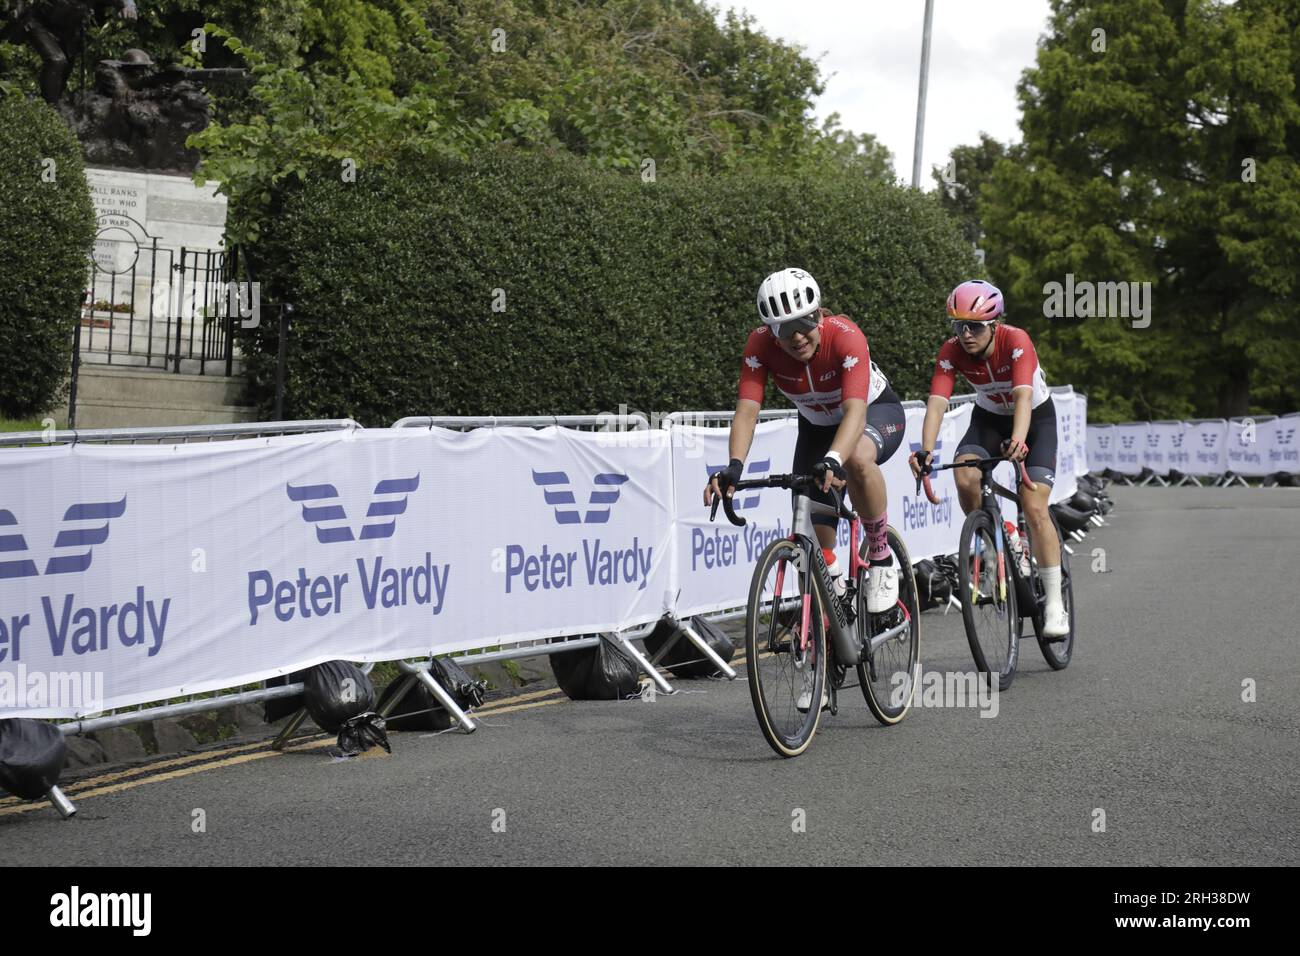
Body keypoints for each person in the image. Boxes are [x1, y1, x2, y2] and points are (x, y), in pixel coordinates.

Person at [704, 267, 908, 617]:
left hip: (873, 413)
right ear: (771, 332)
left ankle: (880, 555)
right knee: (813, 544)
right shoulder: (759, 346)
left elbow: (855, 413)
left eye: (804, 323)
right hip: (815, 428)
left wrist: (833, 458)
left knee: (857, 459)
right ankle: (830, 621)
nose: (796, 336)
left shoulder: (846, 336)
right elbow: (747, 410)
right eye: (784, 329)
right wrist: (734, 466)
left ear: (819, 315)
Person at [908, 278, 1069, 638]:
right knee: (965, 475)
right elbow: (937, 402)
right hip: (989, 420)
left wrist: (1018, 440)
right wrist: (926, 450)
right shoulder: (951, 351)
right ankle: (998, 535)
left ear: (994, 326)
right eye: (959, 325)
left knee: (1034, 504)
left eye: (975, 327)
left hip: (1034, 420)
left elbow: (1024, 398)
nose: (966, 334)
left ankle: (1055, 604)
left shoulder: (1016, 341)